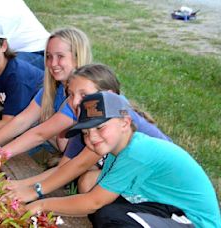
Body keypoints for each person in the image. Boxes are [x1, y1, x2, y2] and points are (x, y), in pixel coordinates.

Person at [26, 91, 221, 228]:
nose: (92, 137)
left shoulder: (137, 152)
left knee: (109, 216)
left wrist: (41, 204)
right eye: (86, 132)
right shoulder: (118, 151)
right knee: (105, 208)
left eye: (99, 127)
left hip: (195, 221)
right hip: (168, 207)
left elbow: (93, 202)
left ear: (125, 123)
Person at [5, 64, 172, 203]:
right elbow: (65, 167)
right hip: (136, 175)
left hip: (163, 184)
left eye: (84, 94)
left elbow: (78, 165)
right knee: (87, 182)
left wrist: (35, 192)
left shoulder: (113, 119)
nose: (75, 101)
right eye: (70, 94)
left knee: (88, 182)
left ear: (108, 95)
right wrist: (21, 184)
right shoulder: (87, 124)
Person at [0, 27, 92, 157]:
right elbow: (22, 120)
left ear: (78, 57)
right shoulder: (54, 88)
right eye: (49, 56)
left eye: (60, 56)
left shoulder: (80, 96)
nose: (53, 63)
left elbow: (39, 134)